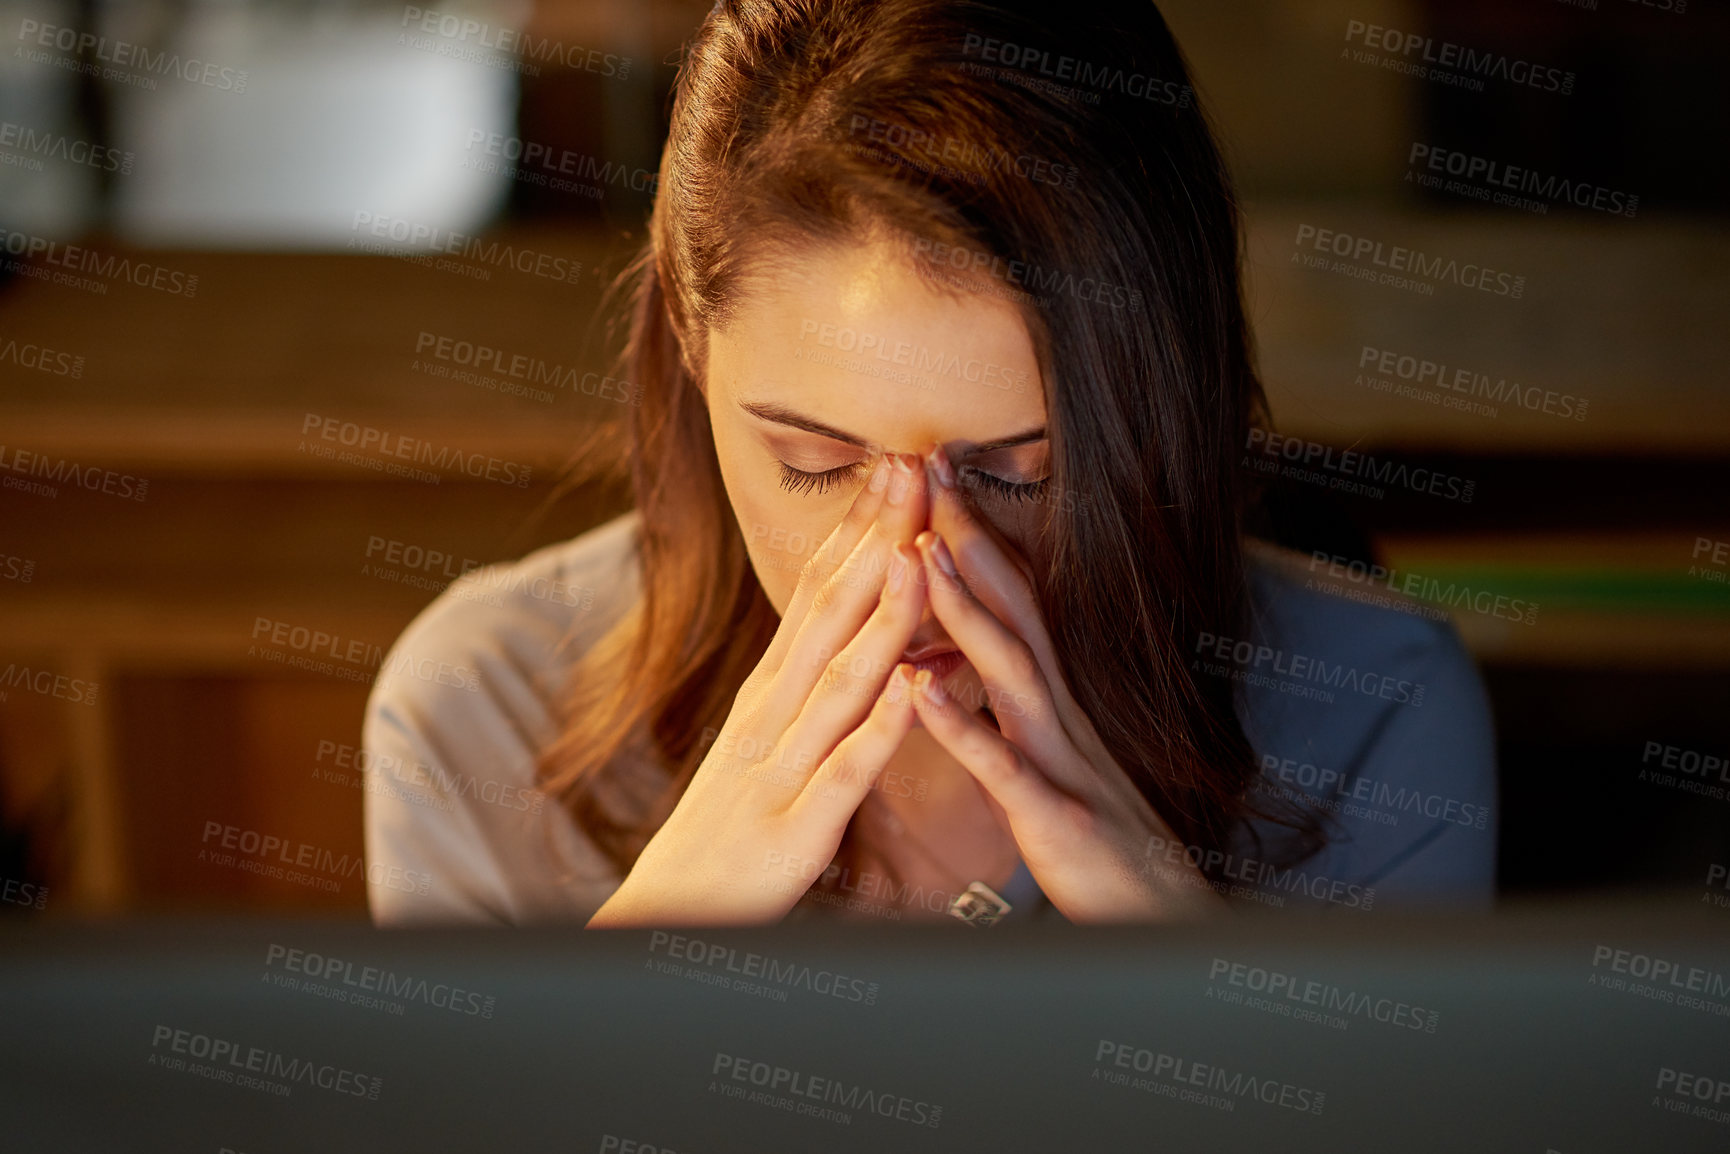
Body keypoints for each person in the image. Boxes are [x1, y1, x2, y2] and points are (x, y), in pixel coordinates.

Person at [362, 0, 1497, 929]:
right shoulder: (482, 711)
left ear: (1163, 411)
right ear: (694, 359)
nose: (909, 557)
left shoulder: (1373, 717)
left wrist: (1177, 971)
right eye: (812, 459)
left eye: (1014, 472)